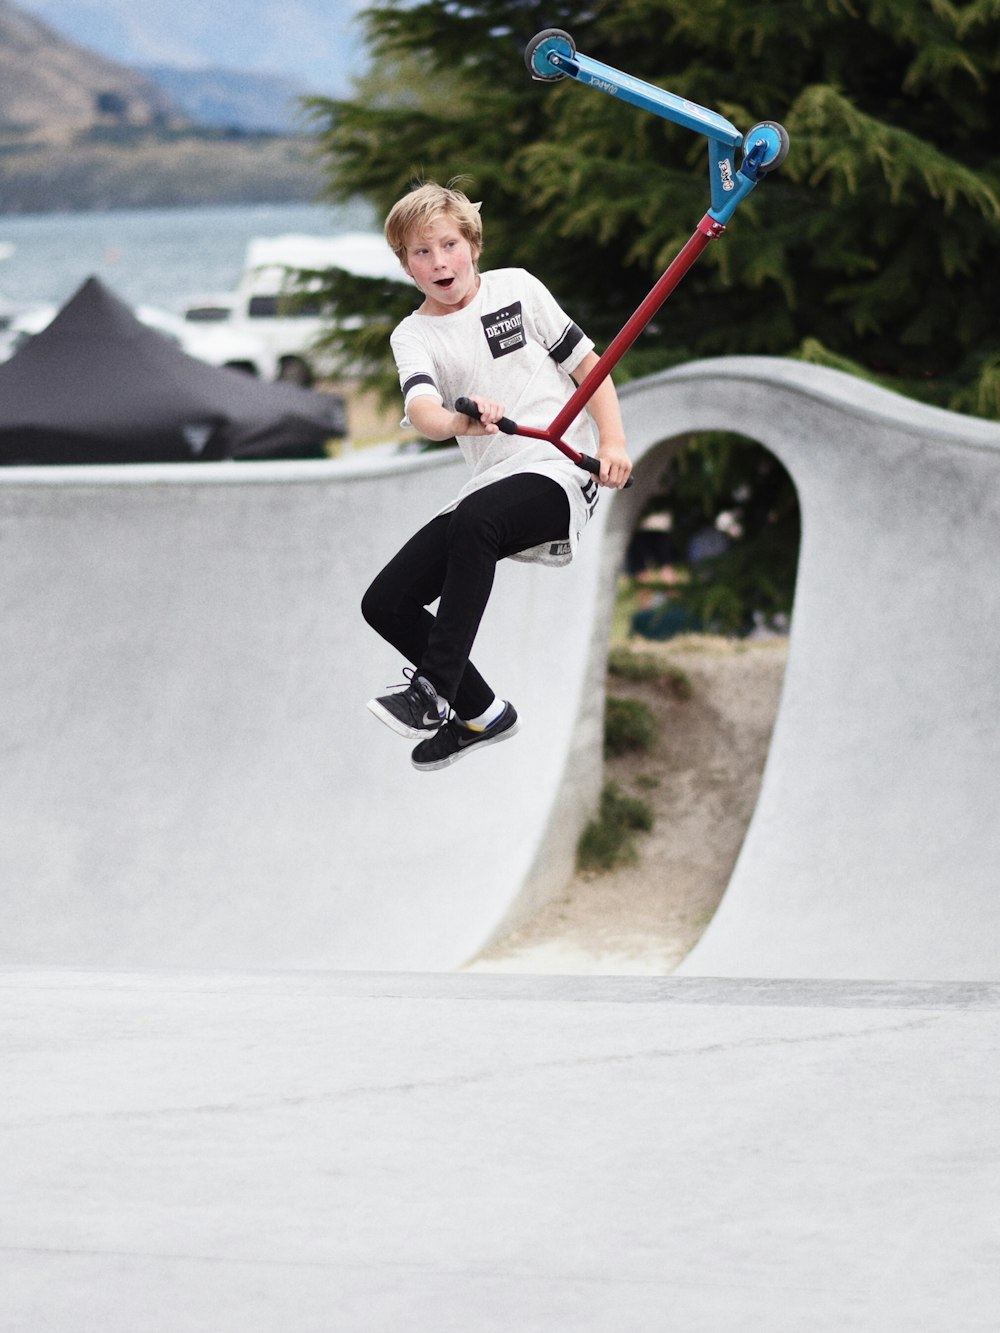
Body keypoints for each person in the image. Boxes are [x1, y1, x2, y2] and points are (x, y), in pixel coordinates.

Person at [362, 180, 632, 771]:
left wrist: (612, 442)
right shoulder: (413, 335)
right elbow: (424, 412)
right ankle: (481, 712)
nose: (439, 262)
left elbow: (591, 370)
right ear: (406, 265)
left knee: (479, 522)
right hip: (491, 483)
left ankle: (432, 691)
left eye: (448, 245)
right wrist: (460, 415)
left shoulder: (517, 289)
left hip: (559, 469)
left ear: (473, 245)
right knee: (385, 602)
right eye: (421, 253)